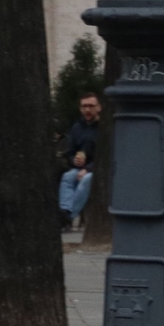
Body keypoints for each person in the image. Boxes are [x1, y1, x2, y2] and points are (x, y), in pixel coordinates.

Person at [60, 92, 102, 228]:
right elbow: (69, 152)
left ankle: (68, 216)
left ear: (99, 107)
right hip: (79, 168)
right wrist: (74, 161)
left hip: (98, 169)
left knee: (86, 180)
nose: (87, 110)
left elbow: (106, 156)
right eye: (84, 106)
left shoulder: (104, 128)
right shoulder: (77, 127)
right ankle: (64, 210)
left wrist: (88, 169)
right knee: (67, 177)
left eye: (91, 106)